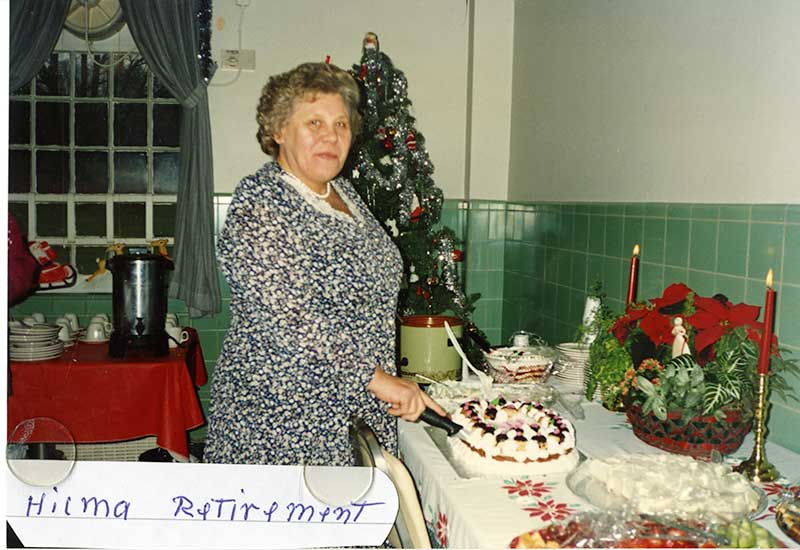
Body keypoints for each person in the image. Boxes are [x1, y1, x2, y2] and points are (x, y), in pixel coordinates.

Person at [204, 62, 447, 466]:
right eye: (314, 122)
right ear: (278, 130)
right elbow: (291, 319)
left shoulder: (345, 194)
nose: (330, 136)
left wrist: (379, 381)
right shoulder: (260, 204)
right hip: (282, 423)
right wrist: (379, 381)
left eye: (340, 125)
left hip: (355, 410)